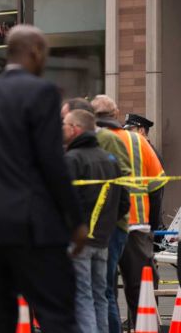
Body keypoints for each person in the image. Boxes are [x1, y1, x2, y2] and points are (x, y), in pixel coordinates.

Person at [0, 25, 86, 332]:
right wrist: (76, 219)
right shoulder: (42, 92)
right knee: (57, 315)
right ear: (35, 52)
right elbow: (52, 162)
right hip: (30, 225)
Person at [91, 95, 165, 326]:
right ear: (116, 114)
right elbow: (157, 186)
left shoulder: (88, 141)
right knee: (140, 290)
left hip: (101, 228)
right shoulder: (137, 142)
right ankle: (142, 327)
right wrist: (153, 226)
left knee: (105, 291)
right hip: (136, 225)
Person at [61, 97, 131, 333]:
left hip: (78, 239)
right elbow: (123, 201)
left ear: (75, 129)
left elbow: (64, 201)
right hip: (102, 238)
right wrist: (107, 224)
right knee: (100, 294)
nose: (61, 128)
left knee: (82, 296)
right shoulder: (109, 159)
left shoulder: (72, 159)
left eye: (64, 124)